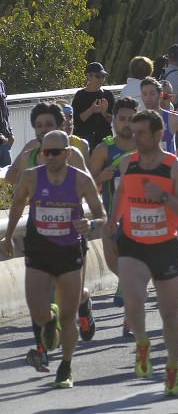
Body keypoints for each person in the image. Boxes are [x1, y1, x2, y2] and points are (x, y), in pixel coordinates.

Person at [2, 130, 104, 388]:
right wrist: (8, 237)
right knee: (36, 309)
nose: (50, 157)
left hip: (70, 249)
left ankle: (66, 367)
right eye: (46, 152)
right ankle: (49, 320)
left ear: (68, 153)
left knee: (68, 317)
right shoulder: (31, 177)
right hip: (40, 248)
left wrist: (90, 223)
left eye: (56, 152)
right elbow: (16, 206)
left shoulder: (80, 180)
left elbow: (101, 214)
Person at [105, 111, 178, 395]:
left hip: (165, 245)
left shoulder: (174, 167)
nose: (136, 138)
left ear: (158, 135)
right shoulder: (127, 163)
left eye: (142, 133)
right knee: (133, 300)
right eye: (133, 132)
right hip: (133, 243)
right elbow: (122, 193)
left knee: (170, 313)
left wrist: (165, 197)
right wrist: (112, 220)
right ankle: (142, 343)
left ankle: (172, 367)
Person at [88, 97, 139, 330]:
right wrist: (101, 177)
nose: (126, 124)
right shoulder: (104, 148)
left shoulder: (146, 145)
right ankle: (126, 282)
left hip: (142, 214)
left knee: (132, 259)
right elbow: (86, 183)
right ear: (114, 121)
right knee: (112, 258)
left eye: (131, 119)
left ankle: (129, 302)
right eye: (122, 119)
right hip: (113, 213)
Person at [71, 62, 116, 149]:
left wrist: (104, 112)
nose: (101, 79)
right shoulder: (80, 95)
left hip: (105, 137)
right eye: (98, 76)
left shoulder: (108, 95)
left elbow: (113, 120)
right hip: (84, 139)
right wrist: (91, 110)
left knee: (112, 157)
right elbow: (75, 121)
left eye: (103, 76)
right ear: (89, 76)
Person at [0, 55, 11, 168]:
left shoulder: (1, 84)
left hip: (4, 137)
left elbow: (4, 110)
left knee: (8, 178)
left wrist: (10, 133)